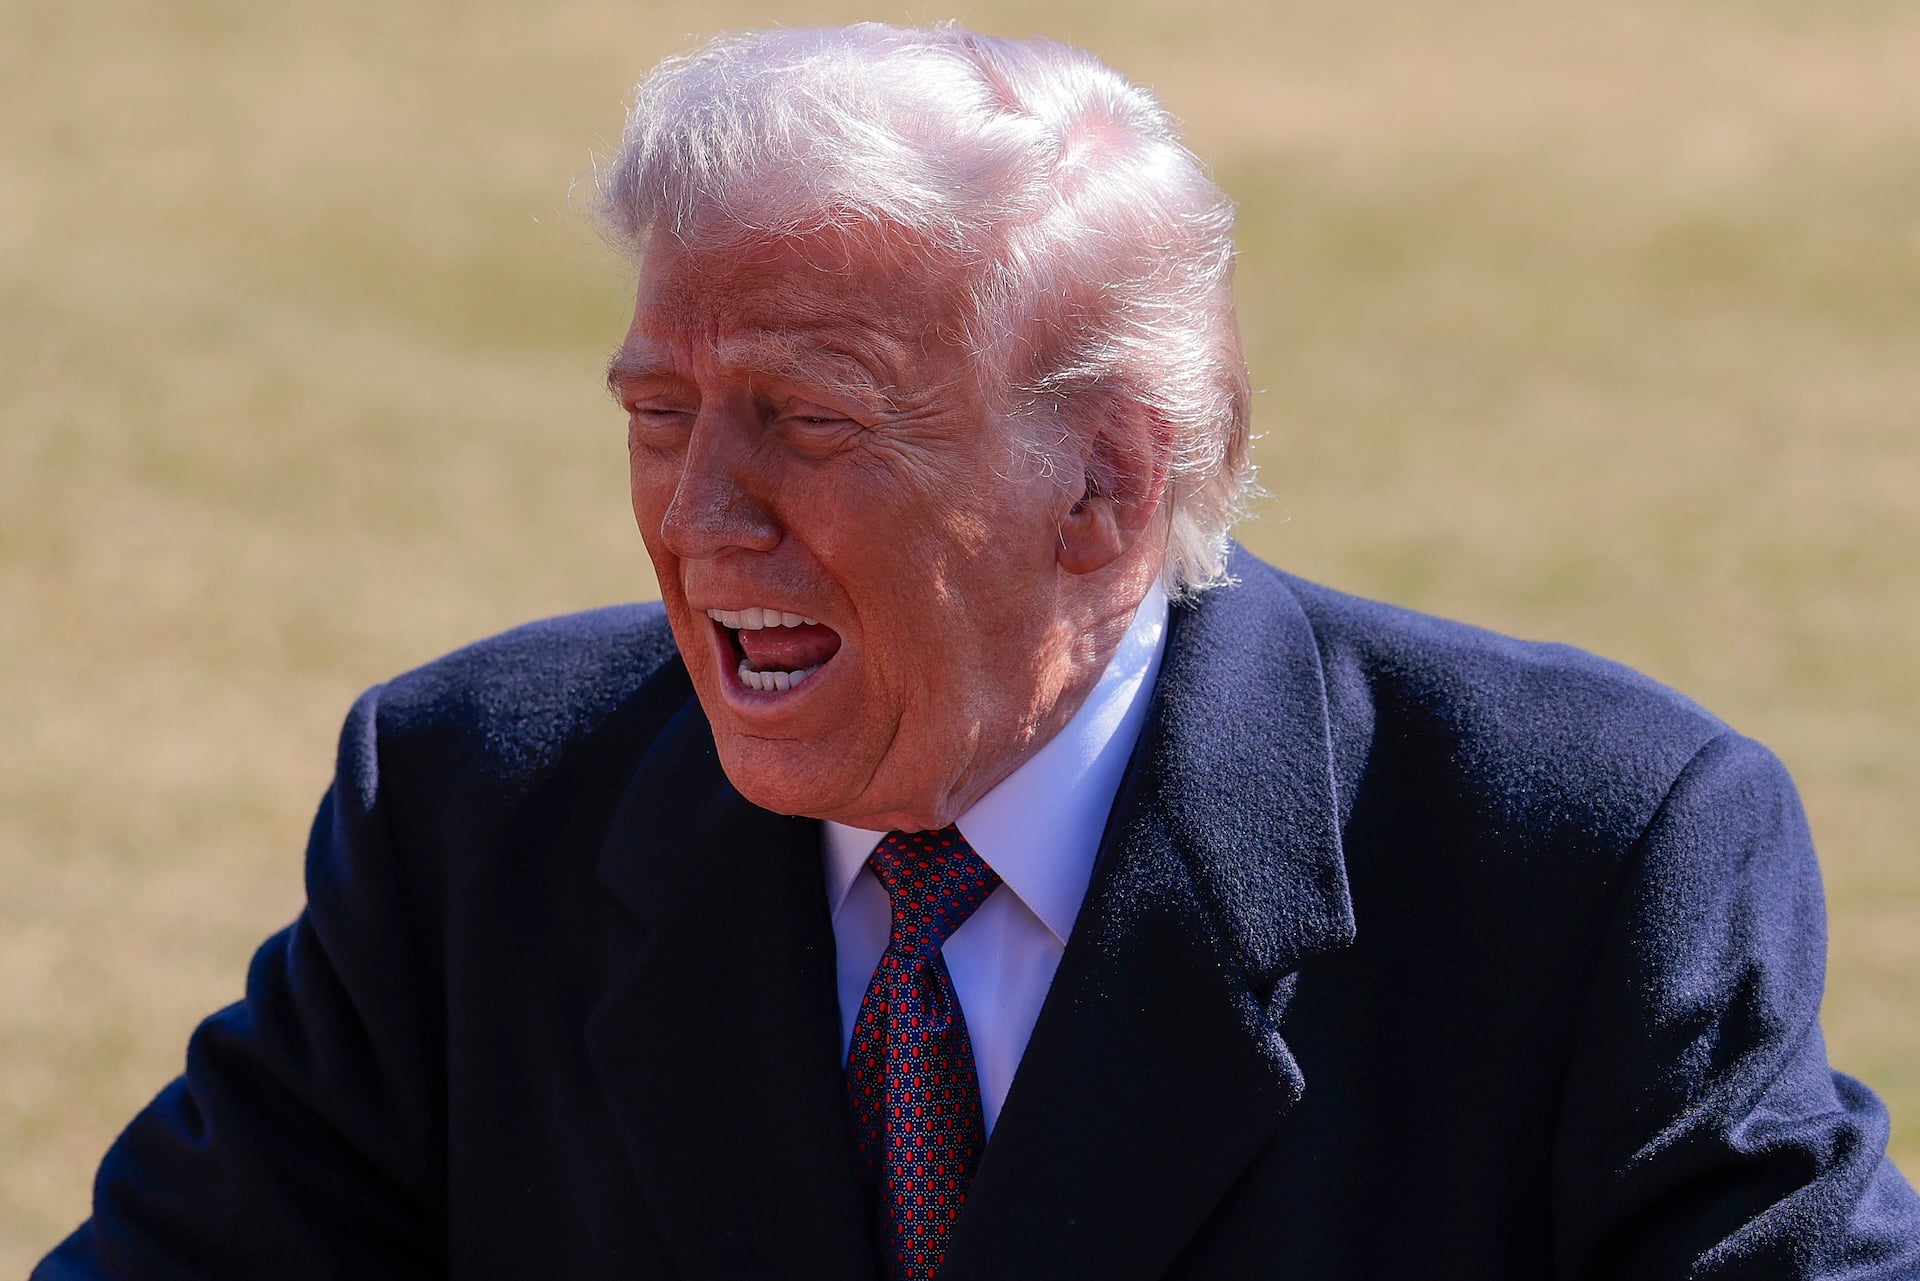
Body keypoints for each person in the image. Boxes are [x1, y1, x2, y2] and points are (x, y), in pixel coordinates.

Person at [36, 23, 1920, 1281]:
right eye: (658, 413)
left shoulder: (1587, 858)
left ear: (1104, 487)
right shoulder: (471, 809)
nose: (699, 516)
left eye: (809, 420)